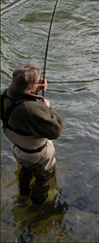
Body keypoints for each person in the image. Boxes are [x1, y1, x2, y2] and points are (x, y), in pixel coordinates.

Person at [1, 64, 63, 205]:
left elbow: (20, 101)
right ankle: (38, 202)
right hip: (37, 155)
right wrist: (48, 108)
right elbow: (57, 129)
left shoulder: (3, 93)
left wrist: (34, 92)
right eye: (37, 82)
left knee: (26, 168)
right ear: (28, 88)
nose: (40, 82)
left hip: (18, 149)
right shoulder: (30, 110)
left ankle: (23, 192)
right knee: (44, 177)